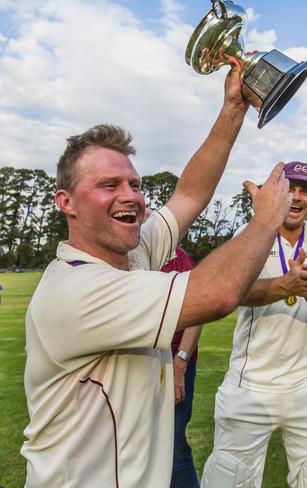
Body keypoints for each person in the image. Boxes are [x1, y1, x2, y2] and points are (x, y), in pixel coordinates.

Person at [21, 60, 293, 487]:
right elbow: (218, 292)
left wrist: (233, 109)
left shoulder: (133, 254)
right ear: (66, 202)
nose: (131, 196)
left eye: (135, 184)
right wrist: (266, 222)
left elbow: (189, 193)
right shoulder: (76, 290)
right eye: (109, 185)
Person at [201, 161, 307, 488]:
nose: (296, 197)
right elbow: (229, 292)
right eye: (290, 188)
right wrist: (285, 286)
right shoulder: (251, 235)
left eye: (306, 190)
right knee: (229, 479)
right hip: (251, 384)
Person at [161, 246, 203, 488]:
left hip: (175, 362)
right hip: (139, 362)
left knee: (173, 445)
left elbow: (197, 314)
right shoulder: (127, 257)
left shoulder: (179, 258)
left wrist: (180, 364)